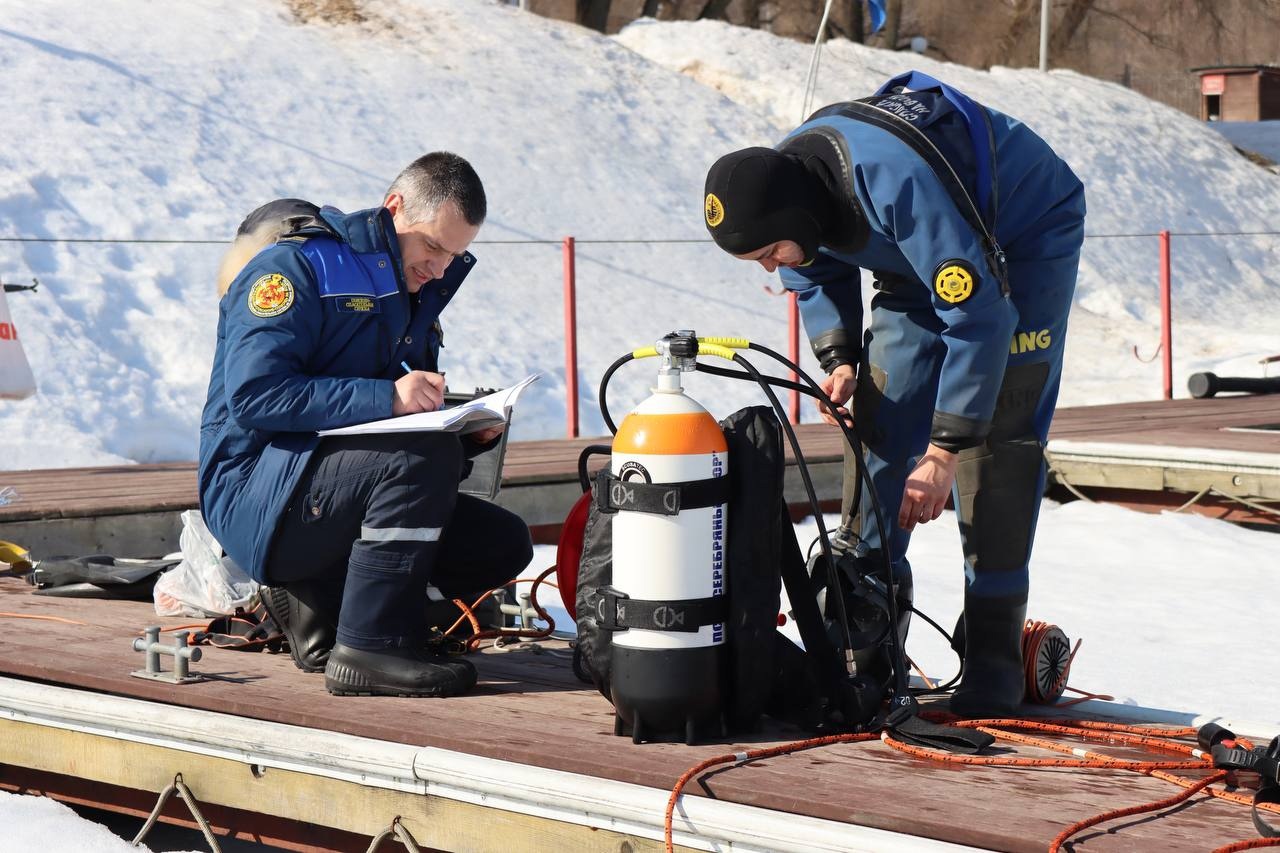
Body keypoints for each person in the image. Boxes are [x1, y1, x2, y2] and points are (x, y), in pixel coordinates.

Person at [702, 72, 1086, 717]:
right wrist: (841, 355)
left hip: (1024, 232)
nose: (770, 267)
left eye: (769, 252)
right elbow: (809, 264)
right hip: (917, 256)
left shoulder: (895, 185)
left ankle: (991, 663)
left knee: (998, 442)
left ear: (793, 218)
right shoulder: (792, 184)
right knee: (879, 423)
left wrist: (942, 452)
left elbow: (981, 318)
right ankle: (867, 642)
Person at [199, 152, 533, 698]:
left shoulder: (414, 290)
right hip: (254, 490)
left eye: (455, 255)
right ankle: (369, 649)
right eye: (432, 246)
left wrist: (463, 434)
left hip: (322, 488)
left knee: (501, 542)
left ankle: (334, 607)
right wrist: (390, 399)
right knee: (421, 460)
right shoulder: (292, 270)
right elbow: (256, 396)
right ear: (394, 207)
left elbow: (382, 430)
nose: (441, 268)